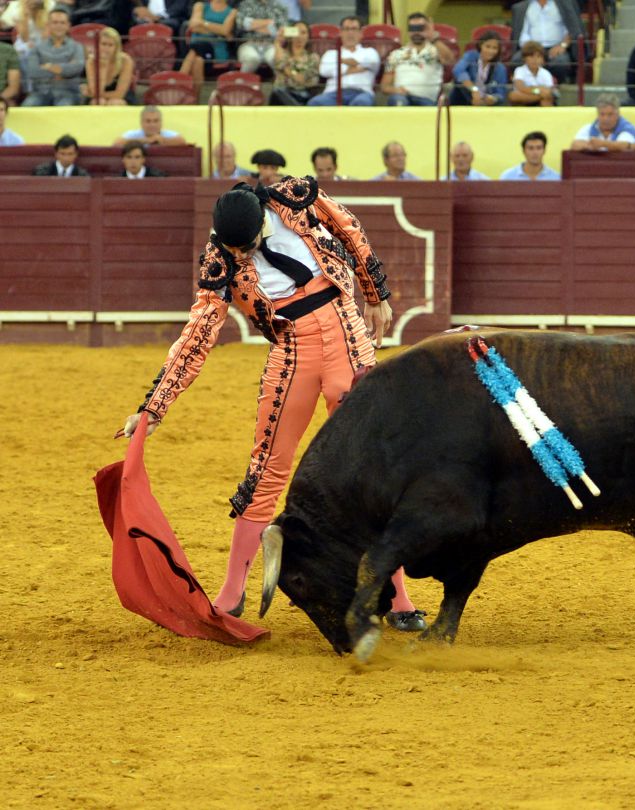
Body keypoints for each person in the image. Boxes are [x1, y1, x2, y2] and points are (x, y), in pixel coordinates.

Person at [118, 177, 427, 632]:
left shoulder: (292, 198)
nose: (241, 256)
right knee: (265, 469)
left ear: (262, 223)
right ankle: (230, 596)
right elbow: (199, 332)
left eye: (247, 247)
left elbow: (350, 228)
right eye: (234, 249)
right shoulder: (220, 255)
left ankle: (399, 599)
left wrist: (375, 292)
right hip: (293, 350)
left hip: (347, 337)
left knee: (371, 473)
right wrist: (153, 408)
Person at [380, 12, 454, 106]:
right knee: (398, 101)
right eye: (412, 28)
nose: (416, 32)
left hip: (427, 100)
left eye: (420, 28)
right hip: (402, 97)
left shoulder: (435, 51)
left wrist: (432, 38)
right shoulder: (396, 54)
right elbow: (384, 87)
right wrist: (396, 90)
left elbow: (450, 60)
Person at [307, 16, 378, 107]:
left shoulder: (370, 52)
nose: (350, 33)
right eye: (346, 29)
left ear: (361, 33)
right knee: (315, 103)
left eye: (354, 29)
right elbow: (323, 71)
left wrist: (341, 63)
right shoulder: (331, 53)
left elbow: (372, 64)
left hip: (361, 92)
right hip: (333, 93)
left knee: (362, 102)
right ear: (340, 32)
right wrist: (355, 68)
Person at [510, 0, 586, 84]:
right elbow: (523, 33)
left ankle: (557, 85)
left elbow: (573, 29)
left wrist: (563, 45)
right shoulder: (521, 7)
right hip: (531, 47)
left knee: (561, 63)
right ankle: (527, 86)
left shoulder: (566, 4)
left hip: (557, 47)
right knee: (516, 61)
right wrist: (532, 50)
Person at [22, 7, 84, 107]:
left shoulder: (77, 47)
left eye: (62, 23)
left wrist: (48, 66)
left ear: (68, 26)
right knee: (27, 108)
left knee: (63, 109)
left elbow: (77, 68)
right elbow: (33, 71)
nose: (58, 26)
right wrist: (63, 70)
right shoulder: (37, 48)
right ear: (48, 25)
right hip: (41, 93)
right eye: (55, 22)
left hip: (68, 93)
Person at [179, 0, 237, 86]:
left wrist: (203, 23)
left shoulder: (232, 12)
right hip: (198, 47)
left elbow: (225, 30)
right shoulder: (200, 6)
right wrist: (217, 31)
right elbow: (194, 27)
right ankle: (193, 97)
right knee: (198, 61)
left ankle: (178, 82)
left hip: (215, 50)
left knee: (195, 50)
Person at [449, 30, 508, 106]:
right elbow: (458, 70)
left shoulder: (500, 68)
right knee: (459, 82)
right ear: (481, 45)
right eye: (487, 46)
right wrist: (474, 89)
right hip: (464, 98)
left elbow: (500, 94)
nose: (491, 51)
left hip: (486, 103)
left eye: (494, 48)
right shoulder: (470, 56)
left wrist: (492, 98)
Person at [82, 26, 136, 105]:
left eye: (110, 45)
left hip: (121, 97)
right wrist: (103, 68)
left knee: (115, 103)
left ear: (116, 47)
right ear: (98, 45)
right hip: (97, 98)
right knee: (99, 102)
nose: (106, 48)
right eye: (103, 44)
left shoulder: (126, 61)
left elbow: (119, 94)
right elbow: (95, 92)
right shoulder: (91, 62)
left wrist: (93, 94)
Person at [270, 21, 318, 105]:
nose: (300, 36)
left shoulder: (312, 57)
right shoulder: (282, 53)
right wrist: (277, 42)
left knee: (278, 91)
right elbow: (278, 62)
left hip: (301, 94)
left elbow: (300, 79)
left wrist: (287, 68)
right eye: (296, 32)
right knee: (277, 92)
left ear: (308, 36)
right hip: (280, 93)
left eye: (303, 32)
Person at [570, 93, 635, 151]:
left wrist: (602, 144)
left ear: (618, 114)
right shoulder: (589, 128)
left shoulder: (627, 128)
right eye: (602, 114)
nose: (605, 119)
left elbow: (626, 146)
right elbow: (575, 145)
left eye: (610, 114)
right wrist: (589, 146)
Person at [235, 0, 288, 74]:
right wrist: (268, 22)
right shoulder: (245, 4)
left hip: (272, 44)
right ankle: (241, 83)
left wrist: (252, 24)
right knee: (252, 59)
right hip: (248, 43)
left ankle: (281, 84)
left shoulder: (279, 7)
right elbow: (241, 24)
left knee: (276, 59)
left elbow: (281, 31)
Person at [508, 40, 557, 106]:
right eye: (531, 56)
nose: (535, 60)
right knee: (513, 95)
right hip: (524, 98)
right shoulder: (519, 70)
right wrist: (538, 91)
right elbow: (521, 88)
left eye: (538, 56)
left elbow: (549, 91)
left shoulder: (546, 73)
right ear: (524, 58)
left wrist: (539, 91)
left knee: (547, 97)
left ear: (543, 59)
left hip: (541, 100)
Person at [115, 105, 187, 146]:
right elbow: (117, 143)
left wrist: (162, 140)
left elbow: (182, 141)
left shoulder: (166, 134)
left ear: (161, 122)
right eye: (148, 121)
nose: (152, 124)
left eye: (156, 121)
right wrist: (145, 140)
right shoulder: (134, 134)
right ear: (141, 123)